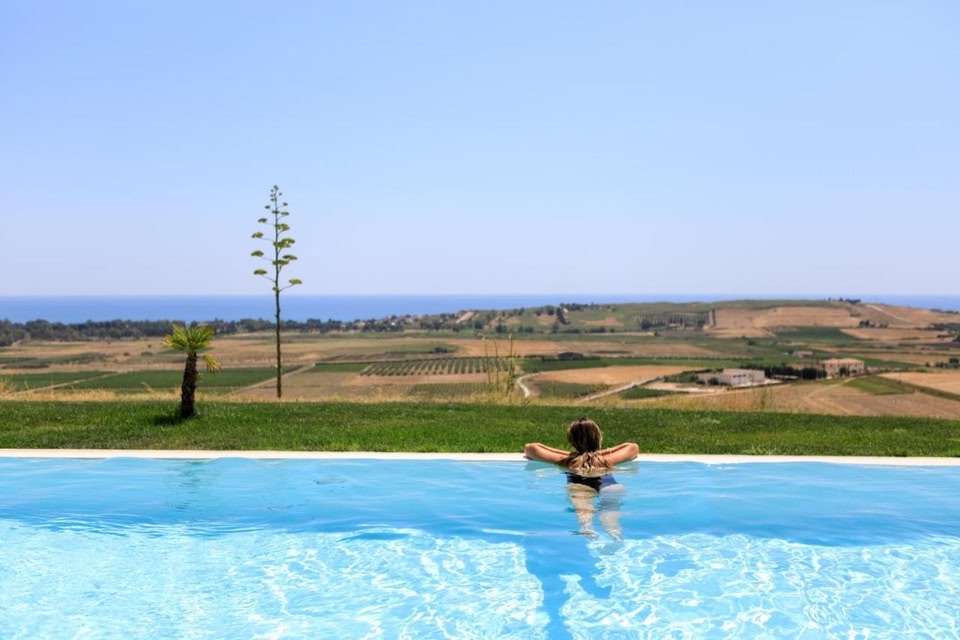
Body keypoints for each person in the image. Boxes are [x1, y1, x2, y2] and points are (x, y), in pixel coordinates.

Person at [523, 417, 639, 540]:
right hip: (609, 484)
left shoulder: (567, 461)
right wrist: (598, 453)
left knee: (584, 510)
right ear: (598, 437)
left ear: (572, 441)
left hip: (579, 485)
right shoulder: (606, 459)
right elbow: (632, 447)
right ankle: (614, 534)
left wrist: (572, 454)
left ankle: (587, 528)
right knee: (610, 510)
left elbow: (531, 447)